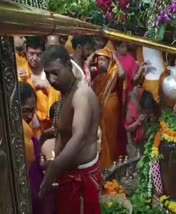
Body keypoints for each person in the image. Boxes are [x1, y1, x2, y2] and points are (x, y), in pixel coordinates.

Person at [39, 45, 102, 214]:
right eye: (47, 74)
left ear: (68, 65)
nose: (51, 79)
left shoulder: (82, 95)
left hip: (81, 180)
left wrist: (55, 167)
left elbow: (79, 136)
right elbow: (67, 127)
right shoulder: (66, 92)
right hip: (69, 175)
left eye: (55, 72)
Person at [91, 48, 126, 169]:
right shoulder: (98, 76)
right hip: (100, 108)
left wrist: (115, 58)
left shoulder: (114, 72)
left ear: (109, 61)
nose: (100, 62)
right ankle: (104, 163)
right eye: (98, 59)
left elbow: (122, 74)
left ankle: (112, 162)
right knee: (102, 134)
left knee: (111, 134)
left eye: (103, 59)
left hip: (111, 104)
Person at [18, 36, 60, 133]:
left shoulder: (51, 72)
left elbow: (61, 98)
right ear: (26, 51)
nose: (34, 58)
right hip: (26, 128)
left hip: (48, 127)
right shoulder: (19, 71)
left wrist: (49, 87)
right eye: (31, 54)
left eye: (38, 54)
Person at [19, 82, 44, 214]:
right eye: (25, 111)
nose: (29, 116)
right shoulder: (15, 134)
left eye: (32, 110)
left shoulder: (28, 132)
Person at [125, 85, 159, 157]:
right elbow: (127, 128)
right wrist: (138, 122)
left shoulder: (147, 97)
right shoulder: (131, 108)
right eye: (146, 112)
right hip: (133, 142)